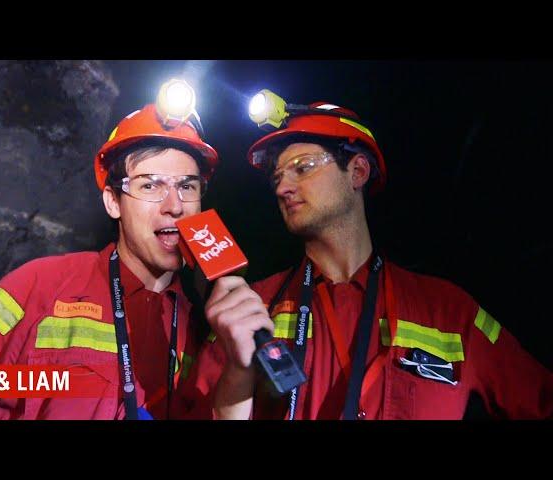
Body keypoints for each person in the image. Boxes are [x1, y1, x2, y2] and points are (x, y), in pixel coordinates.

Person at [198, 99, 553, 419]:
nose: (281, 187)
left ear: (357, 172)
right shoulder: (252, 308)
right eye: (277, 176)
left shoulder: (450, 310)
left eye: (302, 168)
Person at [0, 100, 219, 420]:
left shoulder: (200, 322)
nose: (175, 205)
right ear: (113, 202)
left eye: (187, 186)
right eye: (150, 185)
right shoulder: (38, 288)